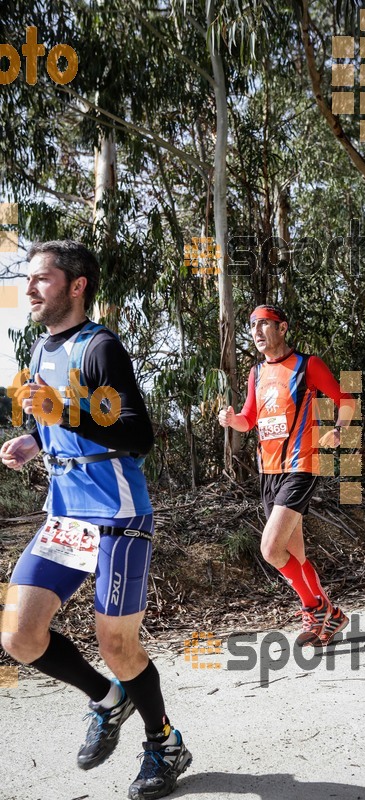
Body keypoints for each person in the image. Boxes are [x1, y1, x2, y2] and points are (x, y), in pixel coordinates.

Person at [0, 240, 191, 800]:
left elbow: (137, 434)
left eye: (42, 279)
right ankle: (110, 699)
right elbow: (59, 420)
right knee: (20, 634)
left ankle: (164, 743)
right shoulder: (39, 350)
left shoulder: (101, 346)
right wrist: (36, 440)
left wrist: (61, 414)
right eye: (27, 279)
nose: (29, 288)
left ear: (76, 285)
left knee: (117, 644)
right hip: (65, 515)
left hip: (117, 514)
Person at [218, 304, 355, 646]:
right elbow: (249, 419)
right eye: (253, 327)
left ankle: (315, 607)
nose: (258, 332)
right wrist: (233, 420)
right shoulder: (256, 373)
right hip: (269, 472)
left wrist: (338, 430)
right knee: (295, 555)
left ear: (283, 328)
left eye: (265, 325)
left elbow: (346, 400)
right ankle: (331, 619)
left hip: (301, 466)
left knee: (269, 548)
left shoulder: (308, 365)